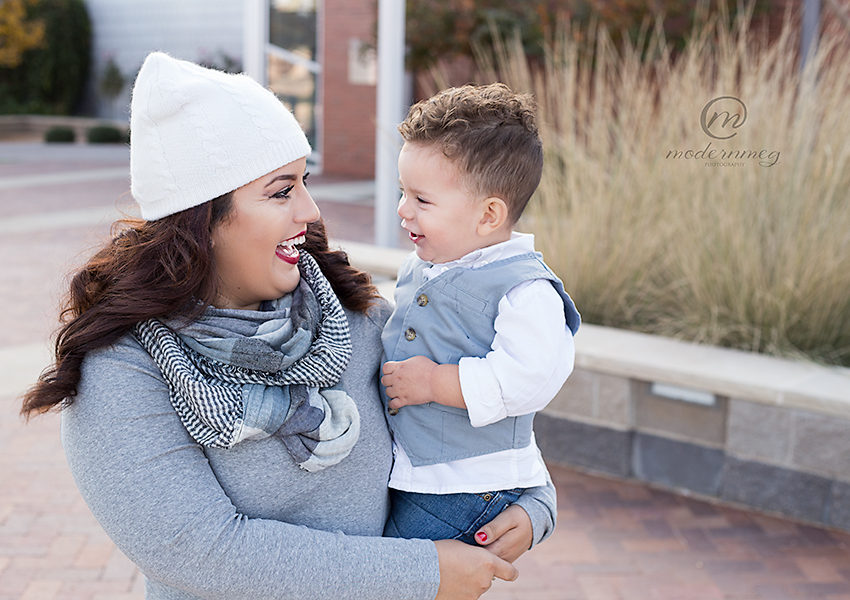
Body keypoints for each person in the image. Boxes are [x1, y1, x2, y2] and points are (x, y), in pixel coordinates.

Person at [20, 53, 557, 600]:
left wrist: (534, 501)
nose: (310, 210)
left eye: (305, 182)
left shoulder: (352, 317)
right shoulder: (120, 372)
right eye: (282, 191)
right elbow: (198, 552)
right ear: (201, 220)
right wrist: (423, 572)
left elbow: (459, 418)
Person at [380, 83, 580, 545]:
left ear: (489, 215)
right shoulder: (430, 264)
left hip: (467, 485)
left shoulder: (524, 288)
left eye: (421, 200)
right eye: (402, 192)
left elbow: (530, 377)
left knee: (403, 577)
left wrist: (435, 383)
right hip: (422, 474)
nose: (402, 210)